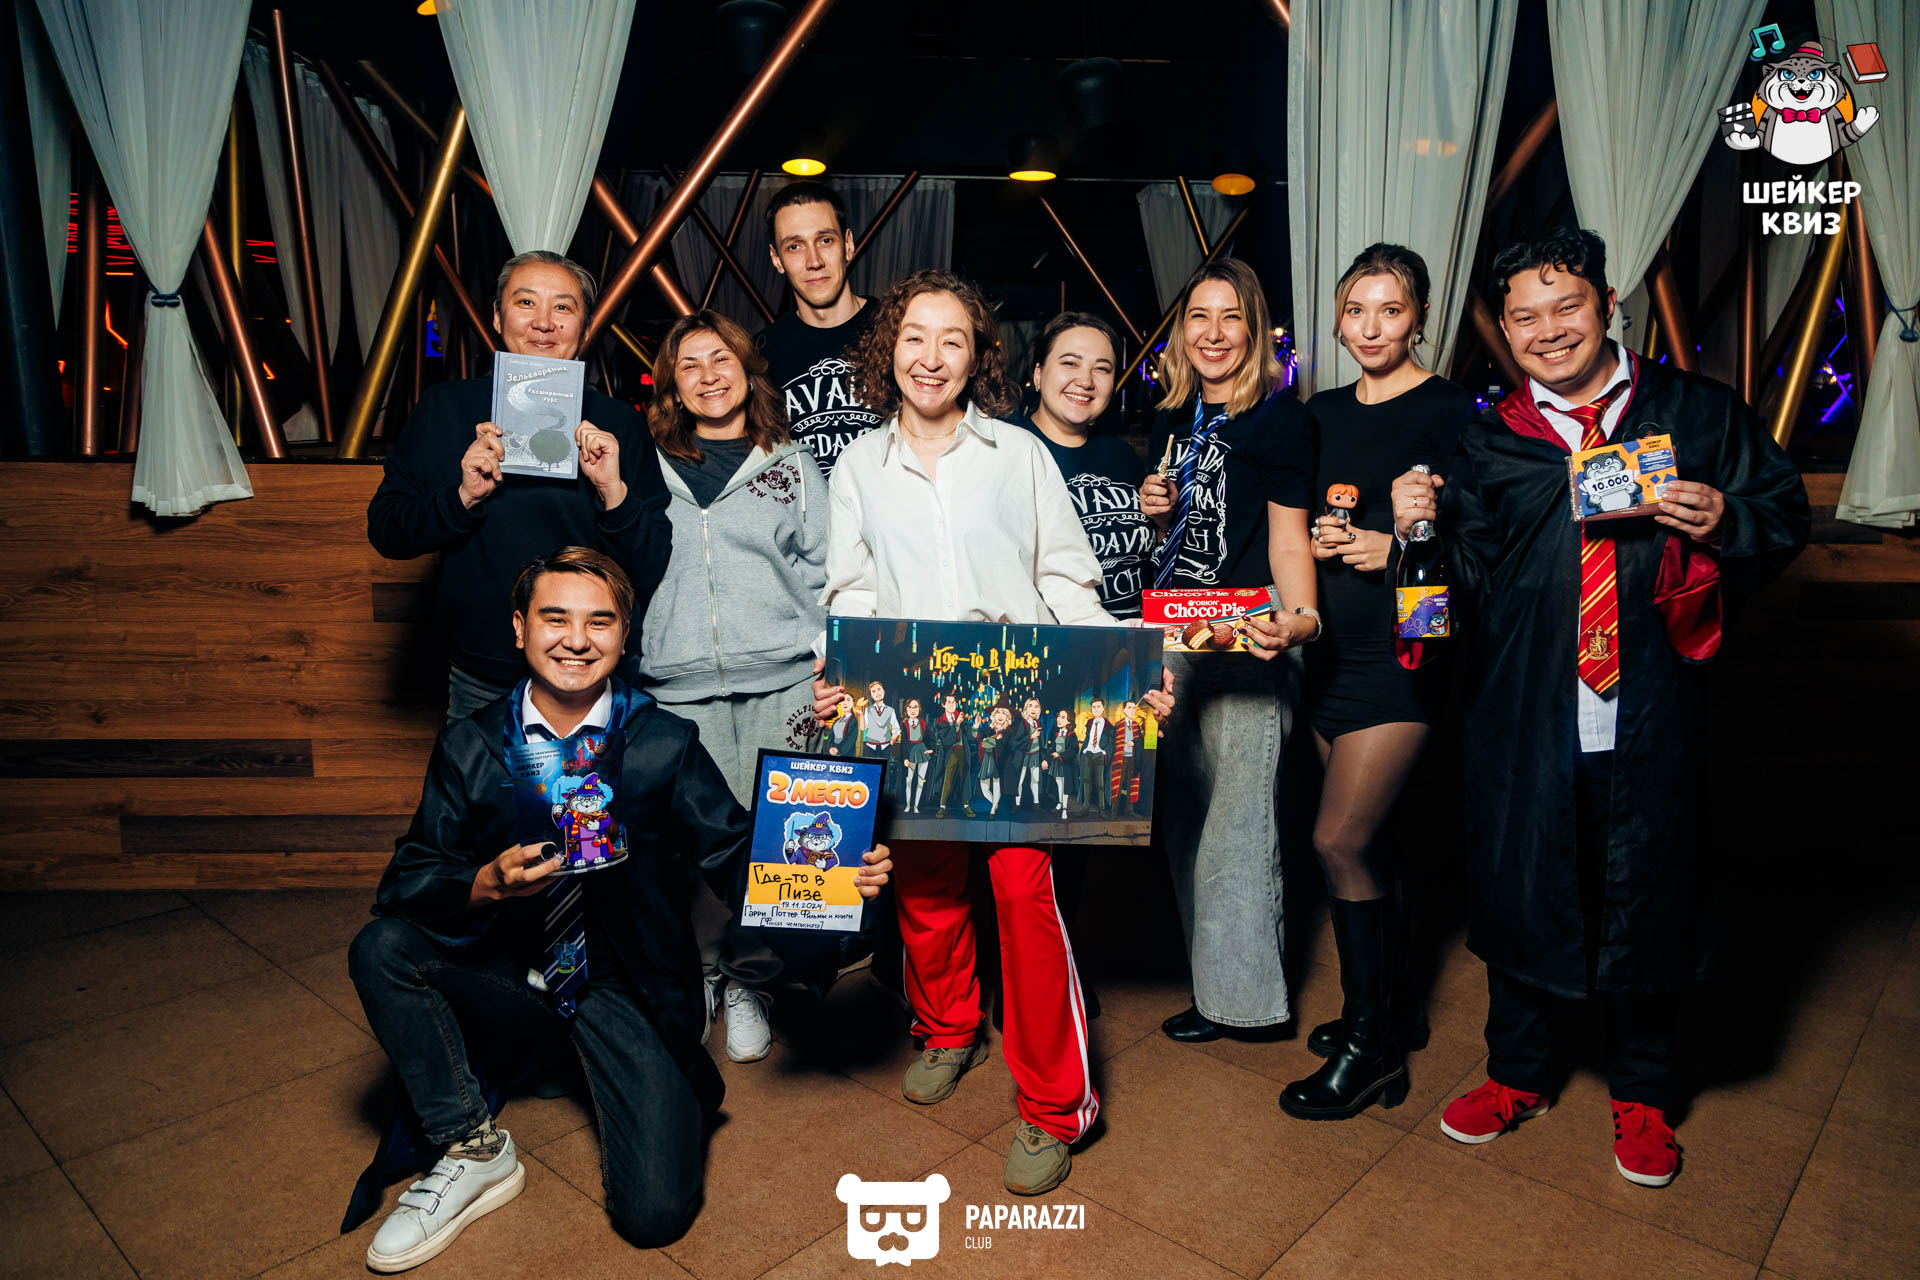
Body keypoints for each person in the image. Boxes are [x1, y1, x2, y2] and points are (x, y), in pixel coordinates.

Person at [1391, 228, 1807, 1187]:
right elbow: (1450, 602)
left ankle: (1644, 1094)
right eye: (1524, 317)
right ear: (1504, 329)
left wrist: (1729, 519)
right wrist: (1416, 539)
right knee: (1519, 886)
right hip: (1525, 712)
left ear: (1609, 303)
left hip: (1655, 709)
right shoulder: (1491, 438)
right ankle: (1517, 1073)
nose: (1548, 331)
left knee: (1649, 893)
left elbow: (1782, 513)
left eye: (1566, 306)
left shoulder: (1695, 412)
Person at [348, 547, 891, 1270]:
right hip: (510, 976)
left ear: (625, 636)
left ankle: (606, 1071)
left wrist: (837, 887)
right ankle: (473, 1148)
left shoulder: (662, 743)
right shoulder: (472, 745)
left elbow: (738, 858)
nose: (577, 639)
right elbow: (408, 877)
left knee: (654, 1215)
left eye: (599, 622)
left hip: (622, 988)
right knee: (383, 947)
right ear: (519, 627)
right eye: (555, 619)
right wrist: (485, 883)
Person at [816, 268, 1176, 1195]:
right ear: (888, 348)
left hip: (1022, 701)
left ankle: (1057, 1107)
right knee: (926, 887)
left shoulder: (1018, 454)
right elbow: (851, 591)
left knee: (1023, 895)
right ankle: (947, 1029)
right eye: (914, 337)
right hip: (913, 701)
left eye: (953, 339)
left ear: (979, 356)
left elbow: (1066, 580)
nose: (931, 357)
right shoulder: (857, 467)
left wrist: (1126, 676)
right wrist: (840, 671)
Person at [1278, 245, 1479, 1122]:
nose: (1370, 327)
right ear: (1336, 317)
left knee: (1339, 841)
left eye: (1390, 310)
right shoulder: (1319, 413)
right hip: (1331, 652)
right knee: (1375, 843)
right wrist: (1326, 541)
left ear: (1419, 317)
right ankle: (1391, 1009)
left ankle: (1371, 1053)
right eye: (1355, 309)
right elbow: (1295, 522)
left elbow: (1475, 556)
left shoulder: (1453, 412)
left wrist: (1393, 548)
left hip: (1404, 660)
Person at [634, 309, 828, 1067]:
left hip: (784, 682)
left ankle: (752, 980)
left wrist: (826, 657)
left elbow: (825, 571)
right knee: (691, 848)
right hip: (678, 687)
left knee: (778, 843)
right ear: (671, 384)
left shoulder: (793, 464)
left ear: (748, 370)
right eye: (690, 364)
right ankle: (702, 975)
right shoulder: (642, 464)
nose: (709, 375)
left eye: (722, 359)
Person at [368, 251, 672, 722]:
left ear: (585, 326)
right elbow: (388, 532)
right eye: (526, 302)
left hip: (591, 671)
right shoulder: (445, 407)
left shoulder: (618, 424)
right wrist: (463, 497)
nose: (544, 322)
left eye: (563, 307)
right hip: (481, 674)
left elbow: (651, 563)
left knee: (596, 777)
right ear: (497, 316)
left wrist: (612, 492)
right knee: (476, 774)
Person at [1139, 258, 1319, 1045]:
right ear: (1182, 331)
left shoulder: (1280, 420)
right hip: (1176, 625)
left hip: (1249, 627)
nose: (1213, 334)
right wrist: (1156, 514)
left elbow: (1287, 539)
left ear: (1255, 330)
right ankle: (1212, 985)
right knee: (1184, 814)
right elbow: (1179, 538)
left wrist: (1302, 619)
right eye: (1198, 317)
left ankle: (1246, 1004)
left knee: (1239, 823)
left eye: (1231, 317)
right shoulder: (1171, 420)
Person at [1010, 312, 1155, 618]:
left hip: (1136, 632)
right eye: (1070, 363)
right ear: (1038, 374)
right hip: (1059, 638)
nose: (1086, 381)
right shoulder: (1008, 450)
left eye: (1102, 368)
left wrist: (1164, 522)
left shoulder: (1122, 455)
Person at [756, 181, 883, 479]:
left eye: (825, 240)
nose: (814, 261)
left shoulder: (897, 330)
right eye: (794, 246)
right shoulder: (761, 354)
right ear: (776, 259)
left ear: (848, 245)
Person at [932, 692, 974, 816]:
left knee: (964, 777)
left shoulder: (961, 718)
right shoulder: (940, 721)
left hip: (962, 751)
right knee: (947, 779)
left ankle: (966, 805)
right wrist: (956, 724)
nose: (951, 705)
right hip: (949, 753)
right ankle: (942, 806)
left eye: (953, 702)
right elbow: (947, 740)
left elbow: (971, 736)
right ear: (943, 704)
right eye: (949, 702)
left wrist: (976, 726)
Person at [899, 697, 935, 813]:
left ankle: (916, 806)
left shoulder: (923, 723)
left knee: (920, 781)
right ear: (906, 709)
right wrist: (905, 757)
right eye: (910, 707)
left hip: (922, 752)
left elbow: (932, 738)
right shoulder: (904, 724)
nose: (912, 710)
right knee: (908, 781)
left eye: (915, 707)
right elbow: (903, 742)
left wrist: (931, 749)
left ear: (919, 709)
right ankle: (908, 805)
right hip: (910, 753)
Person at [1078, 698, 1113, 816]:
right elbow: (1087, 737)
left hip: (1100, 755)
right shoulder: (1089, 723)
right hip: (1088, 754)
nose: (1096, 709)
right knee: (1086, 781)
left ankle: (1102, 808)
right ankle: (1085, 806)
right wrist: (1084, 750)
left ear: (1103, 708)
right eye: (1094, 707)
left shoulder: (1108, 725)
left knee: (1100, 783)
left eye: (1098, 707)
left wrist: (1104, 752)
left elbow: (1111, 742)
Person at [1045, 708, 1079, 819]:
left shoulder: (1072, 735)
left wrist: (1061, 755)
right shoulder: (1056, 734)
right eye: (1059, 716)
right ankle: (1060, 803)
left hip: (1066, 764)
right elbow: (1052, 748)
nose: (1059, 719)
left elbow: (1074, 749)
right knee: (1058, 784)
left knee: (1065, 787)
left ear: (1069, 721)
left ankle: (1064, 809)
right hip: (1057, 764)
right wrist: (1048, 759)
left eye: (1063, 717)